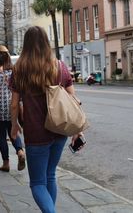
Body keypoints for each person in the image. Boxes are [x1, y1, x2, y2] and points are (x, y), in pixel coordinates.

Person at [10, 26, 84, 213]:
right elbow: (72, 102)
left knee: (36, 183)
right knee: (50, 175)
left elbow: (14, 104)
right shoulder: (59, 66)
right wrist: (77, 129)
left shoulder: (19, 69)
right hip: (59, 130)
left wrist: (14, 126)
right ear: (46, 43)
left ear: (26, 45)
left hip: (36, 134)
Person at [0, 45, 25, 172]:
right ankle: (20, 151)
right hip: (14, 106)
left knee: (2, 136)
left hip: (0, 109)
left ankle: (6, 163)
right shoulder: (14, 70)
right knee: (13, 130)